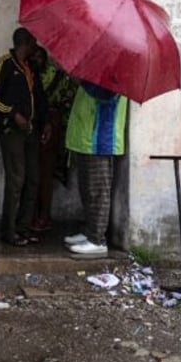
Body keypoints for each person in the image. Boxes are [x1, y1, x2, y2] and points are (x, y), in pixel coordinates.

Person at [0, 27, 50, 247]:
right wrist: (13, 114)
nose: (36, 47)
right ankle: (9, 230)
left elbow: (39, 97)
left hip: (32, 130)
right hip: (11, 131)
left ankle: (24, 227)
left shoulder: (31, 67)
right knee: (16, 180)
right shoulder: (2, 64)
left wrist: (46, 122)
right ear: (25, 43)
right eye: (33, 42)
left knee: (33, 180)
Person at [64, 82, 128, 256]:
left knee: (98, 191)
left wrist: (81, 80)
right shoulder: (97, 71)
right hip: (86, 139)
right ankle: (89, 231)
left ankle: (97, 239)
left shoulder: (115, 73)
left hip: (100, 140)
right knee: (87, 190)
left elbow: (105, 95)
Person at [29, 47, 76, 233]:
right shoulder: (30, 73)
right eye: (34, 56)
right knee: (33, 173)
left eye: (39, 56)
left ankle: (43, 215)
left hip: (52, 124)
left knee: (45, 174)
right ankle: (33, 214)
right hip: (36, 122)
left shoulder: (56, 76)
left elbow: (68, 101)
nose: (36, 59)